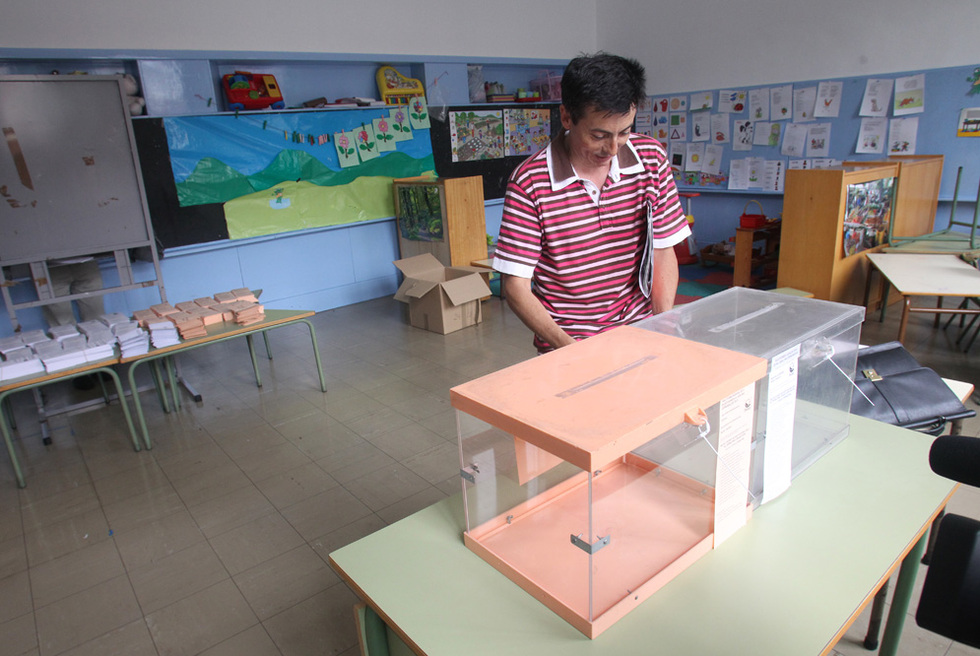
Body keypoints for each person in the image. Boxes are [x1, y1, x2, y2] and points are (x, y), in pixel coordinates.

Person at [492, 52, 691, 353]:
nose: (612, 148)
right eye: (598, 135)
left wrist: (663, 325)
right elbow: (515, 286)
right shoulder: (531, 183)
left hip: (639, 330)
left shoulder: (650, 159)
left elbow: (663, 250)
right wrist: (571, 349)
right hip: (568, 341)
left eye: (624, 132)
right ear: (567, 117)